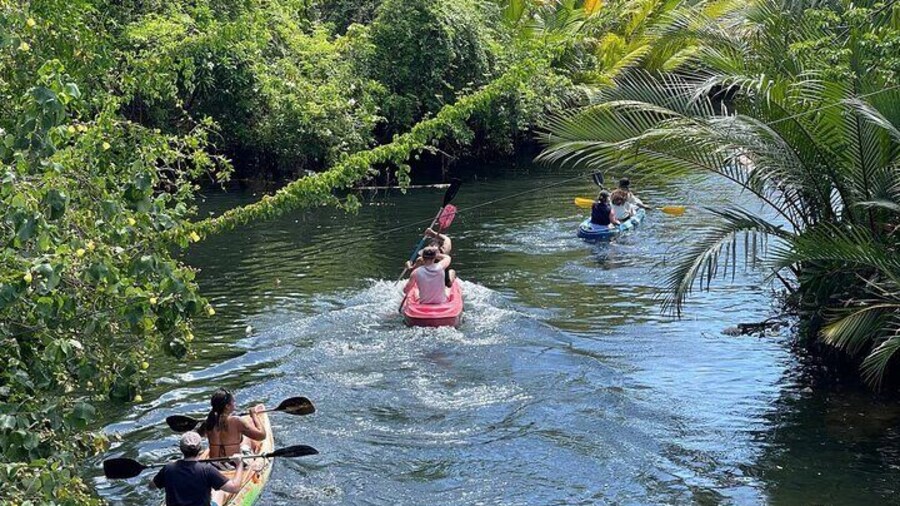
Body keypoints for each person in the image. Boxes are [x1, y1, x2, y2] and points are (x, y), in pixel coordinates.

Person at [150, 431, 244, 506]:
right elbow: (234, 488)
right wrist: (239, 464)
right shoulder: (207, 470)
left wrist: (163, 474)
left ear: (181, 449)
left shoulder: (168, 468)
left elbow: (151, 486)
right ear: (200, 449)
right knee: (220, 493)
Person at [200, 388, 266, 462]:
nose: (234, 403)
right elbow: (262, 436)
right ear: (227, 406)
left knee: (242, 438)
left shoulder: (208, 421)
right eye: (233, 401)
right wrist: (254, 416)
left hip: (214, 463)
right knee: (247, 439)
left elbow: (200, 435)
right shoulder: (236, 421)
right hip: (233, 463)